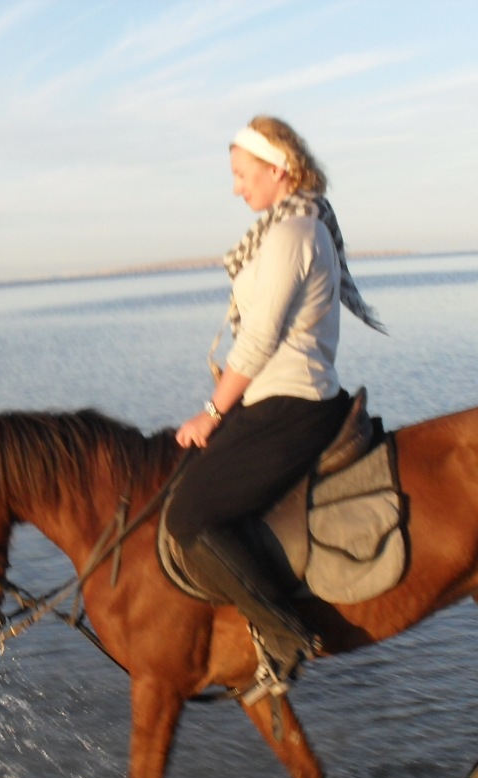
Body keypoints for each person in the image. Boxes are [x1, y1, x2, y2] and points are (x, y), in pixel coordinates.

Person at [166, 115, 383, 696]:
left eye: (243, 174)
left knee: (188, 517)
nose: (237, 187)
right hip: (274, 396)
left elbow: (260, 338)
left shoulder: (293, 233)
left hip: (293, 402)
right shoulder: (288, 227)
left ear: (278, 168)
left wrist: (212, 413)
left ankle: (285, 633)